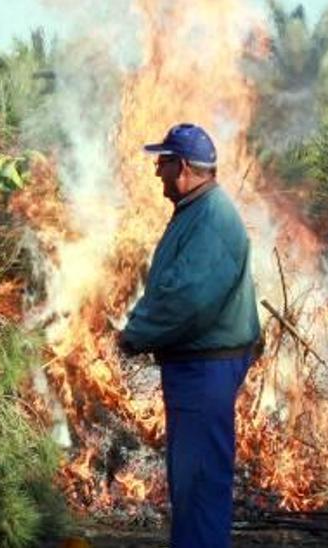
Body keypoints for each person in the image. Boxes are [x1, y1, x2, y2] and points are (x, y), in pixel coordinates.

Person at [118, 123, 262, 548]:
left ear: (182, 166)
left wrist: (135, 335)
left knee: (199, 481)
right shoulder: (198, 211)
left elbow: (188, 298)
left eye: (162, 163)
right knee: (192, 479)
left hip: (206, 368)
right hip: (200, 365)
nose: (157, 172)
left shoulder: (212, 218)